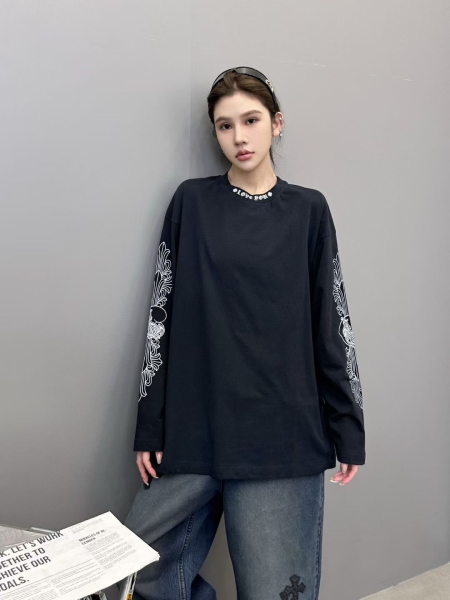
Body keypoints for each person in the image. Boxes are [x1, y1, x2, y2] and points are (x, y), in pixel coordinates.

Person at [123, 66, 366, 600]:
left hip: (281, 435)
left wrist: (348, 426)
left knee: (275, 591)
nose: (239, 136)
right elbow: (161, 314)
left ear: (277, 124)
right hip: (194, 429)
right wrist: (150, 425)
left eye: (251, 120)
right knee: (135, 573)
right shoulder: (191, 202)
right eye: (225, 125)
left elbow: (332, 321)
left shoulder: (308, 210)